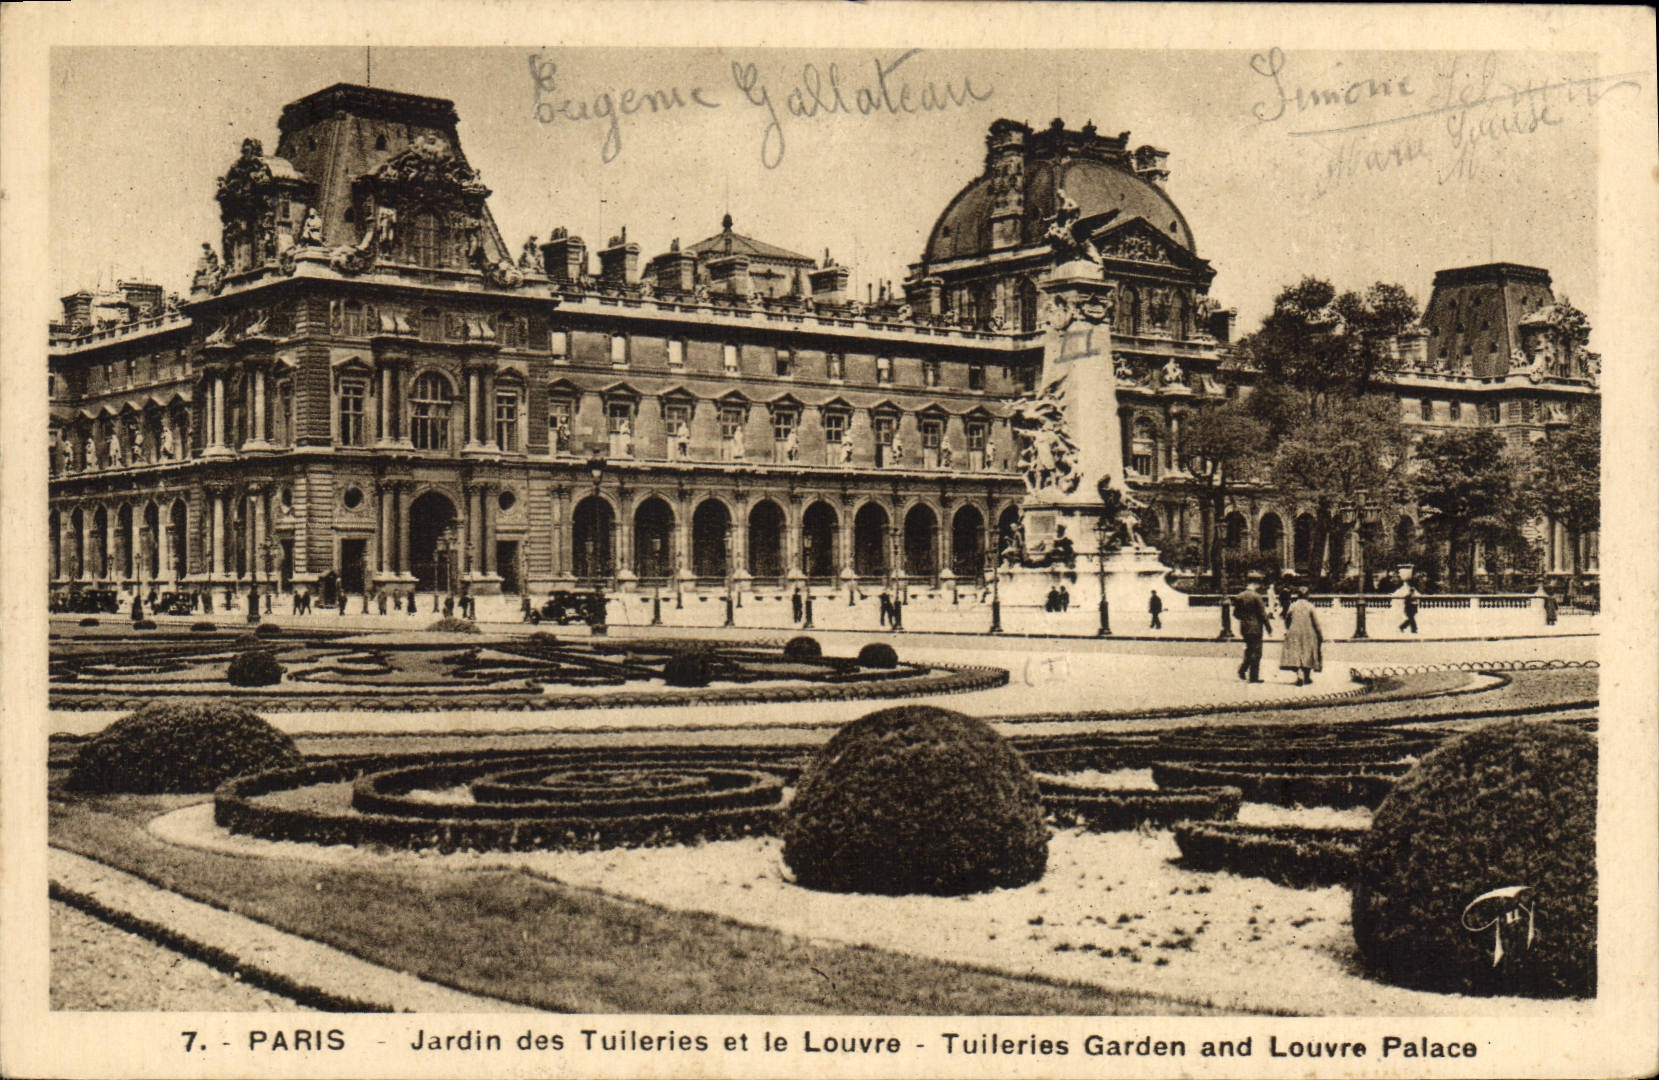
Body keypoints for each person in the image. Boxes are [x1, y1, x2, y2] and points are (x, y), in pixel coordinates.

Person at [1231, 572, 1273, 683]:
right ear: (1256, 583)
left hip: (1244, 627)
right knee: (1257, 652)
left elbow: (1235, 614)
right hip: (1256, 628)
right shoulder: (1257, 597)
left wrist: (1245, 619)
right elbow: (1262, 615)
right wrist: (1269, 628)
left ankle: (1243, 669)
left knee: (1250, 649)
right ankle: (1253, 676)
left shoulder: (1239, 596)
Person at [1279, 586, 1324, 686]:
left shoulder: (1293, 606)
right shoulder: (1310, 606)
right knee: (1307, 654)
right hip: (1308, 633)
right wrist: (1320, 634)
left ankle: (1299, 675)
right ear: (1307, 595)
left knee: (1296, 654)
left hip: (1294, 632)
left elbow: (1287, 618)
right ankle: (1307, 677)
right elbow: (1316, 622)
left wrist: (1288, 628)